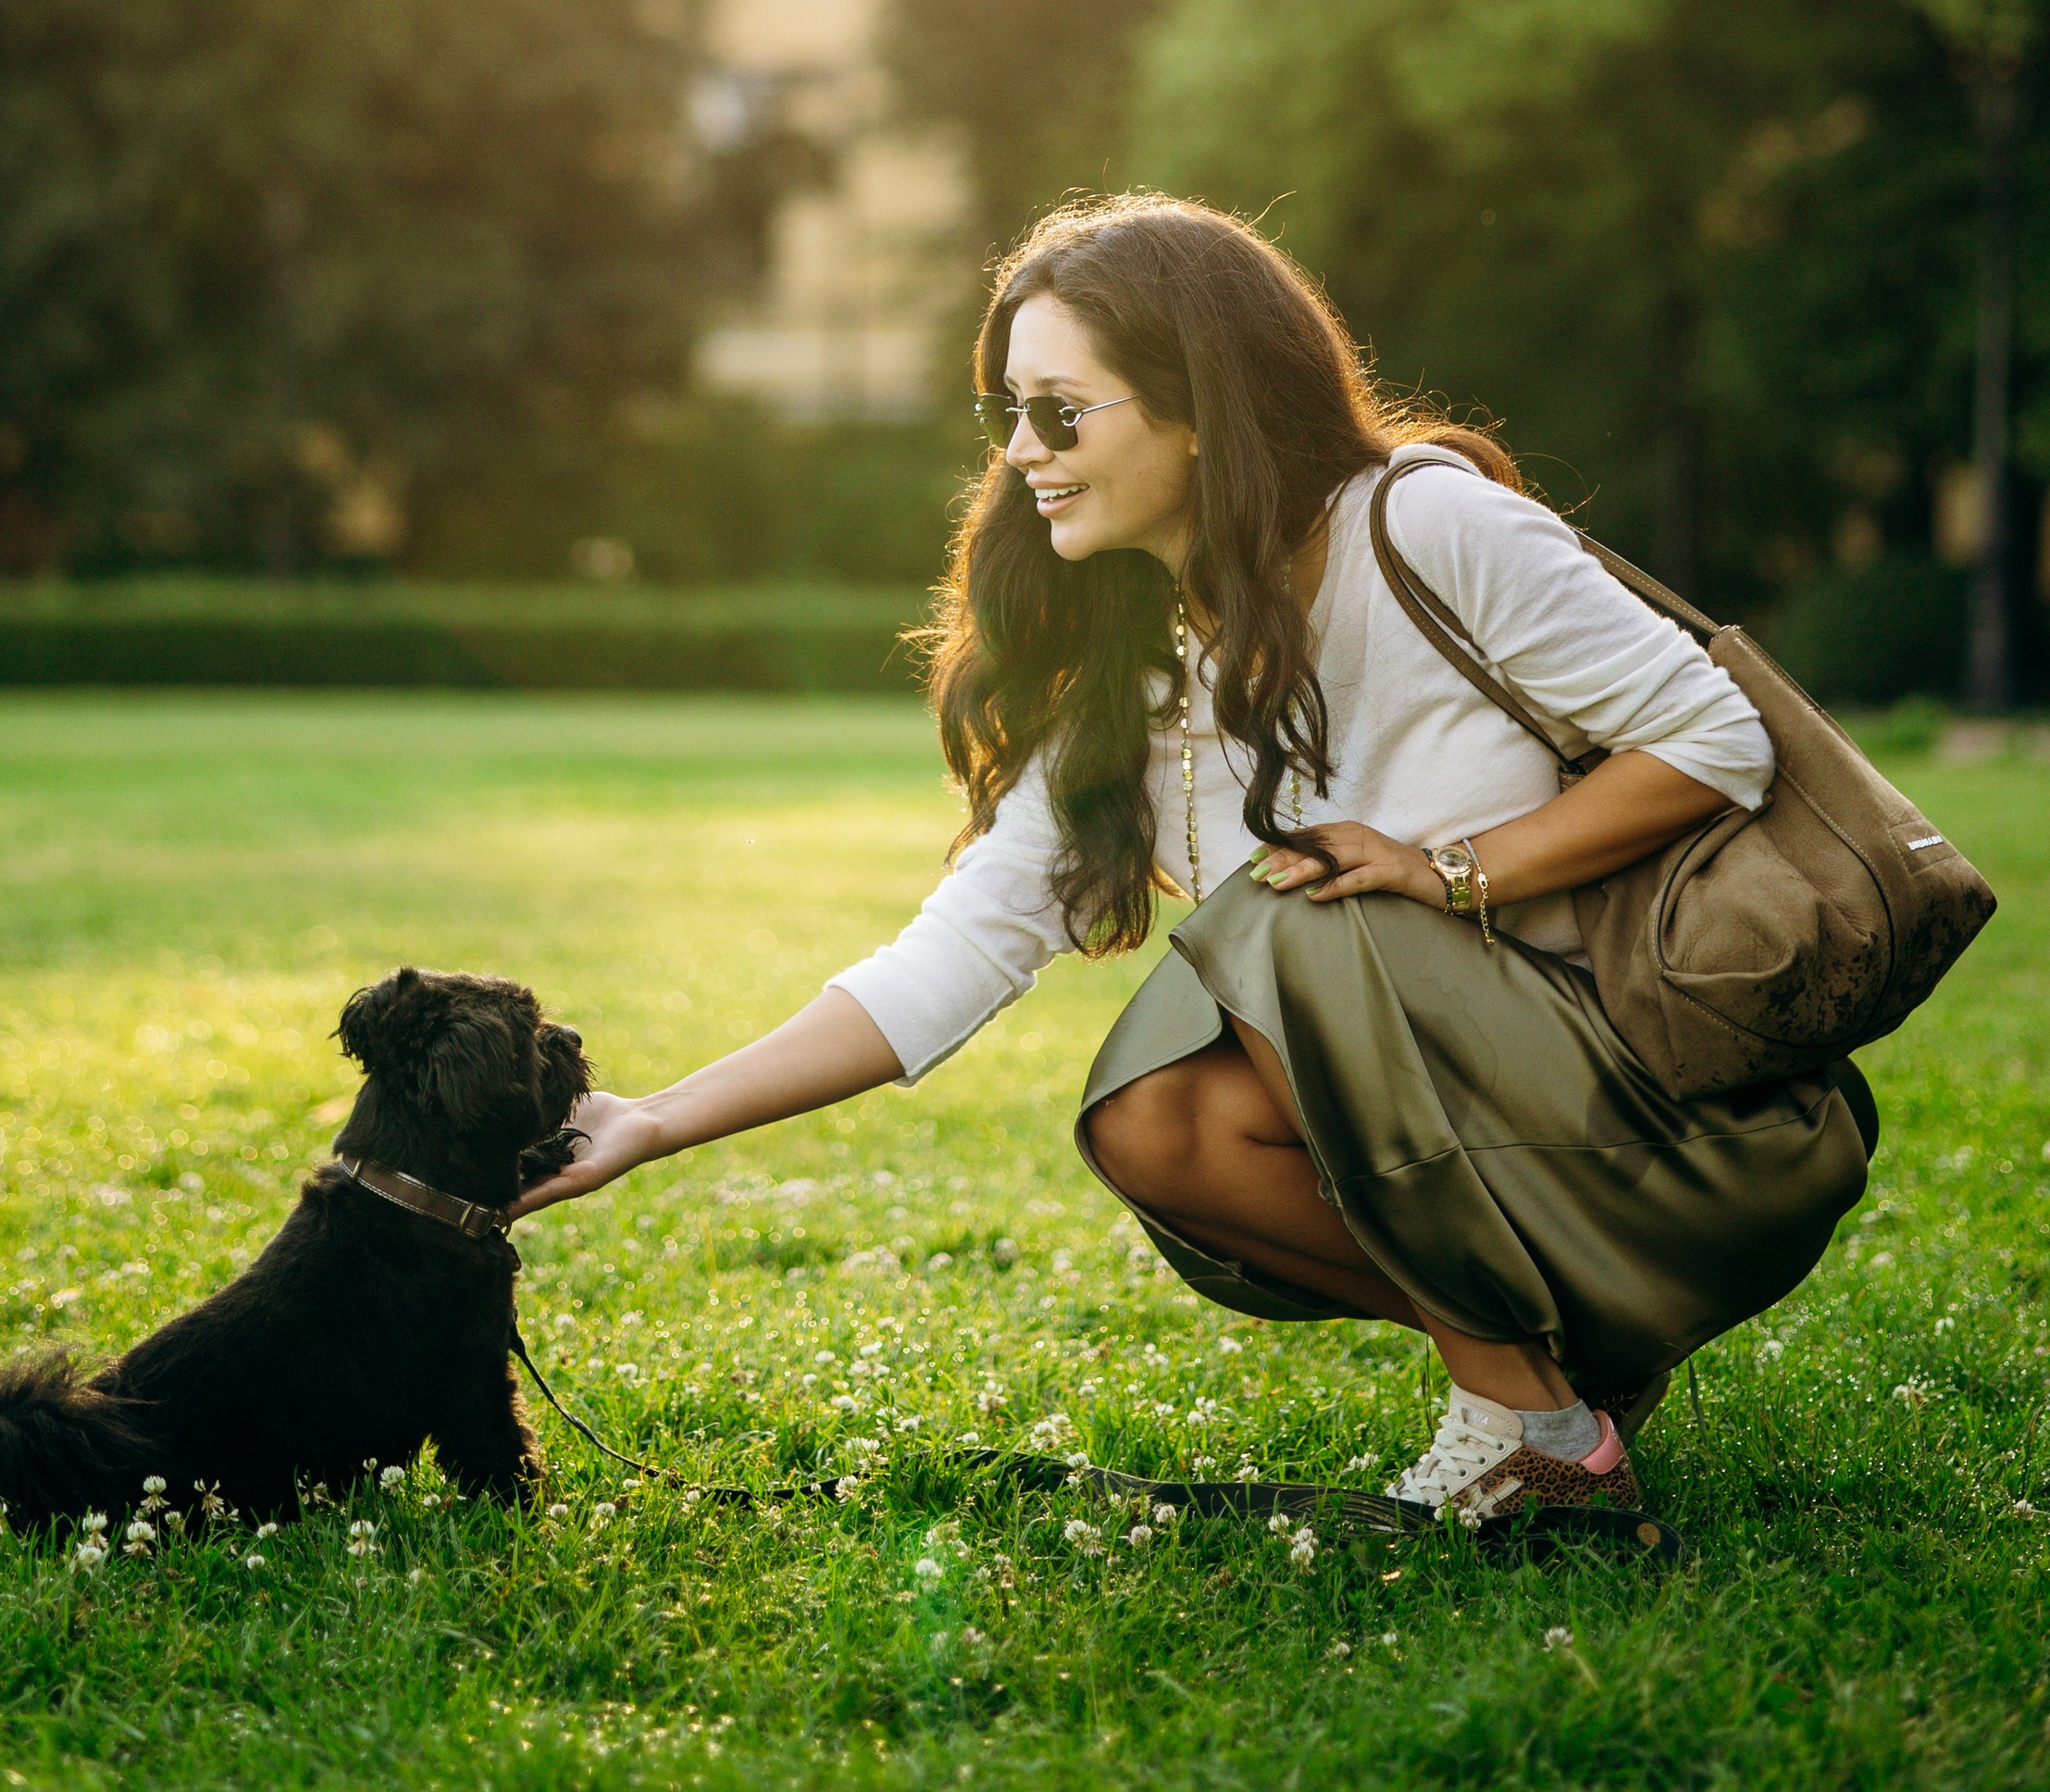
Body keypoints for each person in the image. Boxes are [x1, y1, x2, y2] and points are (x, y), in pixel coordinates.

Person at [514, 194, 1873, 1522]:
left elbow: (1718, 742)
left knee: (1287, 918)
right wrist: (655, 1121)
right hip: (1512, 1154)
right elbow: (954, 954)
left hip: (1694, 1125)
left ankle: (1534, 1431)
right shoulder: (1140, 671)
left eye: (1061, 412)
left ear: (1202, 409)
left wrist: (1448, 868)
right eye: (1005, 414)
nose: (1021, 452)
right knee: (1156, 1119)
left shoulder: (1425, 526)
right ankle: (1558, 1384)